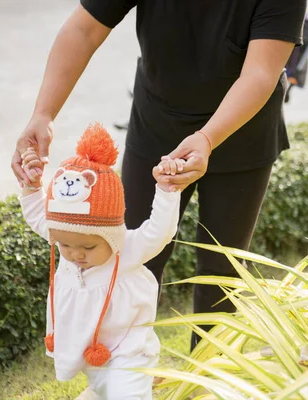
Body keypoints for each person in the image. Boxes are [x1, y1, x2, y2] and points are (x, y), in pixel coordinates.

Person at [12, 0, 307, 349]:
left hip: (243, 132)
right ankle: (122, 373)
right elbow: (84, 28)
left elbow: (260, 73)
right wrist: (43, 113)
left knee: (222, 271)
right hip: (157, 123)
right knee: (125, 258)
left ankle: (205, 379)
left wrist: (207, 138)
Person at [18, 123, 185, 399]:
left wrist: (166, 190)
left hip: (129, 350)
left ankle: (139, 383)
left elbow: (160, 232)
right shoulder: (67, 240)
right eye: (65, 245)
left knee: (126, 393)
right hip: (93, 350)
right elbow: (38, 215)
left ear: (110, 234)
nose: (75, 254)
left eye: (88, 246)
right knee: (102, 387)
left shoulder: (126, 249)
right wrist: (32, 185)